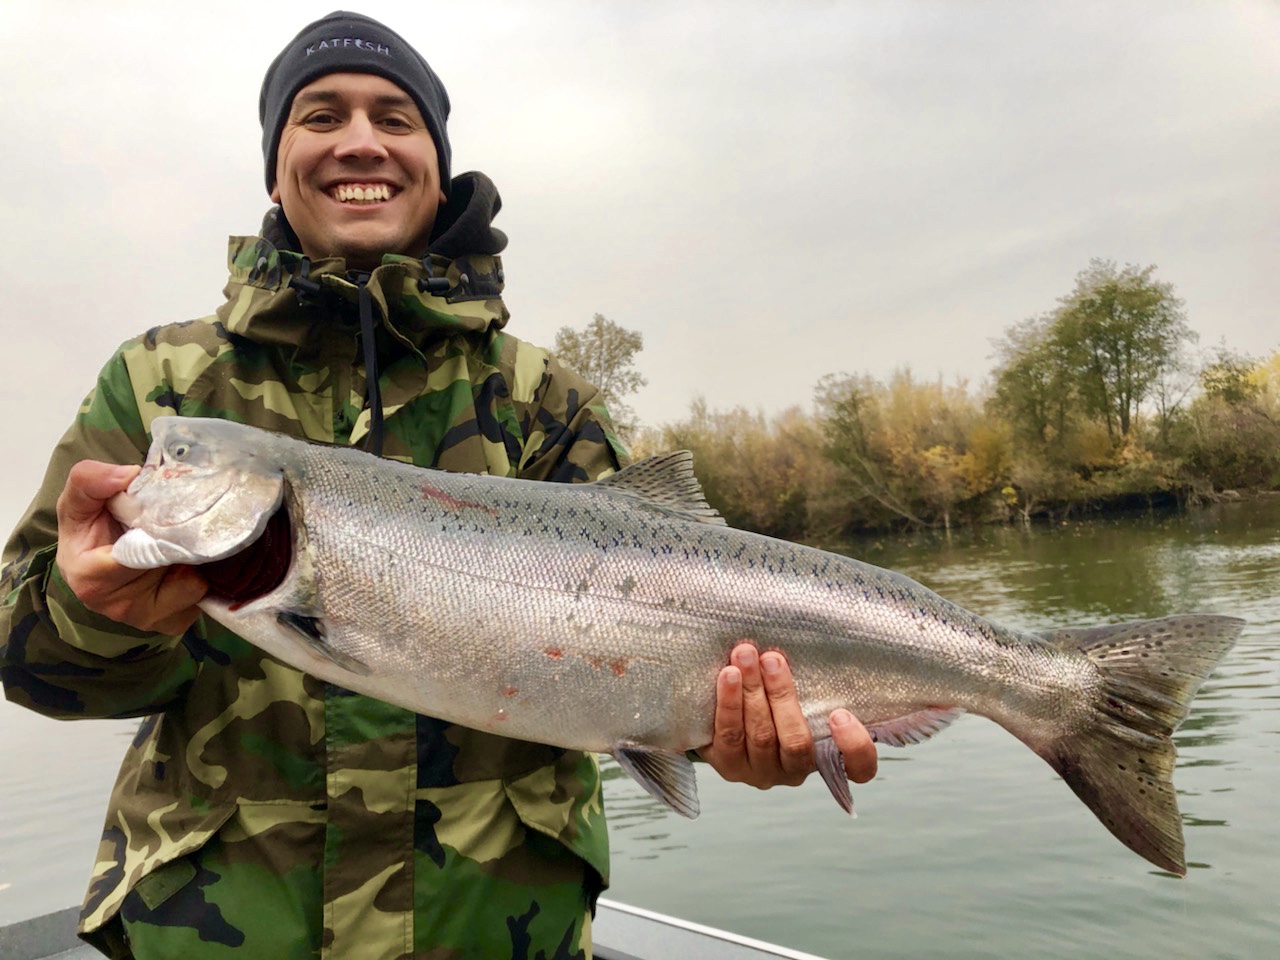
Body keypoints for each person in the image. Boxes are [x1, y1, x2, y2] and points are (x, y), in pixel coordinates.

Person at [0, 11, 876, 959]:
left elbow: (649, 653)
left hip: (499, 934)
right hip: (218, 934)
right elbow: (25, 660)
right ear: (275, 164)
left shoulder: (544, 396)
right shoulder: (160, 385)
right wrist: (95, 614)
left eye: (394, 116)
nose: (360, 141)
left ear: (437, 159)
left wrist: (725, 733)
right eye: (320, 115)